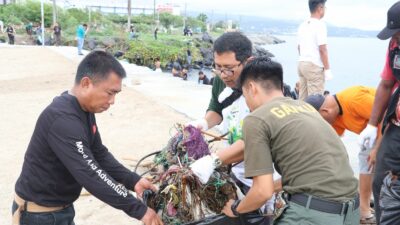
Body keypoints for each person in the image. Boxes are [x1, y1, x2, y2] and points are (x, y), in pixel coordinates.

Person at [11, 51, 163, 225]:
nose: (112, 101)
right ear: (86, 83)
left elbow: (99, 154)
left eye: (116, 95)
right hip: (39, 216)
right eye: (109, 93)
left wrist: (133, 180)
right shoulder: (62, 119)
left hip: (62, 209)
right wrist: (139, 210)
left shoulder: (83, 110)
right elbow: (90, 173)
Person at [220, 57, 359, 225]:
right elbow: (308, 173)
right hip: (351, 211)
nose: (247, 104)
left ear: (251, 88)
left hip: (314, 215)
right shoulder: (306, 108)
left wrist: (236, 208)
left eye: (244, 95)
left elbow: (262, 191)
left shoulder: (256, 119)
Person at [189, 32, 275, 224]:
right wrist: (201, 124)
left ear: (248, 61)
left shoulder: (262, 89)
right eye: (218, 67)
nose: (223, 74)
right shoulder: (221, 80)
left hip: (264, 177)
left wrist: (214, 161)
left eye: (229, 68)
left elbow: (256, 141)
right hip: (236, 171)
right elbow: (216, 110)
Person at [305, 86, 380, 224]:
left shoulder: (354, 99)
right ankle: (364, 210)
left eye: (319, 120)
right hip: (370, 135)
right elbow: (329, 144)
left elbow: (386, 114)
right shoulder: (334, 116)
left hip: (391, 124)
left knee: (386, 169)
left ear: (325, 111)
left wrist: (377, 148)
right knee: (365, 161)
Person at [358, 2, 400, 224]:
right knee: (381, 181)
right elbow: (386, 85)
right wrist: (372, 125)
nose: (394, 39)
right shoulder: (395, 47)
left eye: (397, 34)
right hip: (396, 127)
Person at [297, 0, 332, 100]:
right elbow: (322, 49)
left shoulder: (302, 25)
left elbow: (299, 47)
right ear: (320, 8)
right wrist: (327, 69)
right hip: (314, 66)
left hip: (302, 64)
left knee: (302, 99)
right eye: (324, 8)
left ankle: (300, 116)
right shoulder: (320, 25)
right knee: (315, 102)